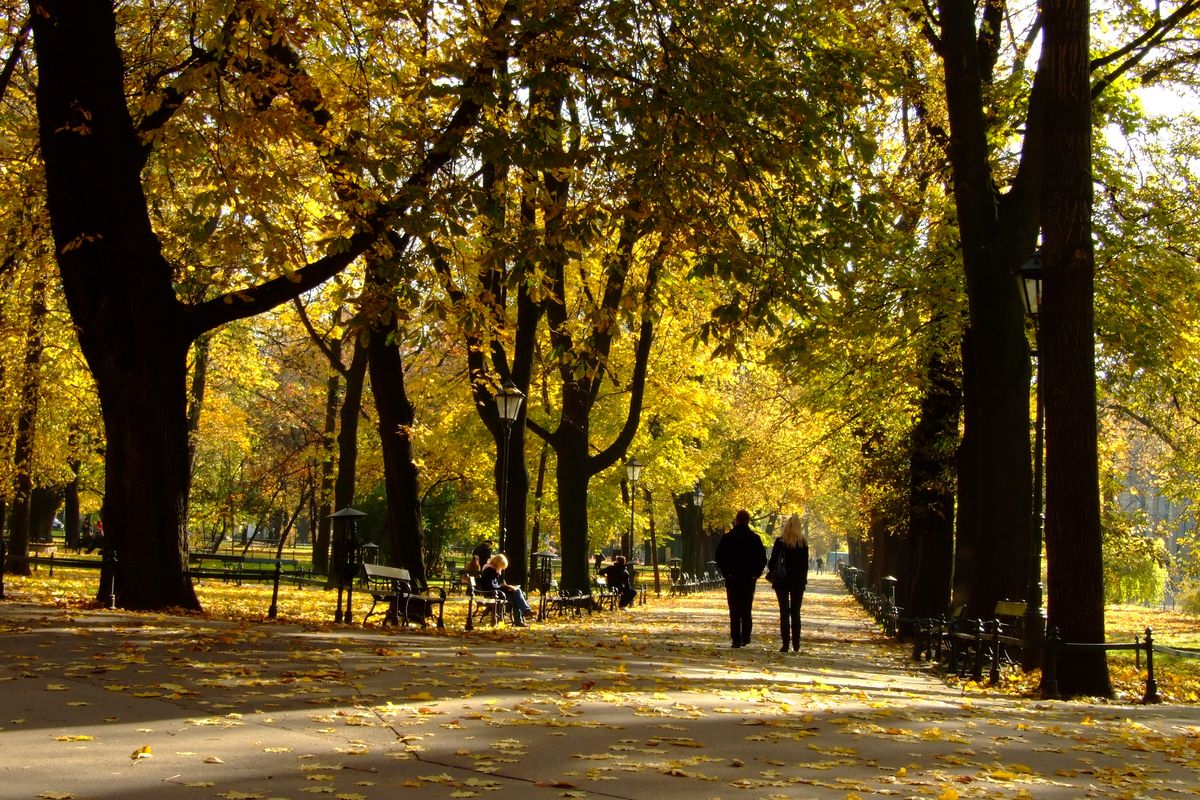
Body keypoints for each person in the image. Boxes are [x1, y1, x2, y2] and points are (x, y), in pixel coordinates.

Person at [714, 509, 767, 648]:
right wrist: (756, 574)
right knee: (746, 607)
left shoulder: (727, 537)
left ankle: (736, 638)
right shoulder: (754, 538)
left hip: (732, 578)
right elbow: (762, 559)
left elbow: (719, 557)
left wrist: (726, 573)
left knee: (734, 608)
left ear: (736, 520)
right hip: (749, 578)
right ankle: (746, 636)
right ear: (748, 521)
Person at [768, 513, 810, 652]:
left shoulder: (780, 542)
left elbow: (772, 562)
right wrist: (803, 580)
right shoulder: (803, 544)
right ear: (799, 527)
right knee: (796, 613)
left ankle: (785, 643)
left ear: (786, 526)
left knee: (784, 612)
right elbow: (805, 566)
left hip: (781, 581)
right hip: (797, 582)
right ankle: (796, 644)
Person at [477, 554, 534, 626]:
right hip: (492, 594)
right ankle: (524, 614)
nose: (502, 569)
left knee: (519, 593)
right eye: (501, 567)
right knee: (517, 592)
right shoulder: (489, 571)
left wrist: (505, 586)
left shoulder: (491, 570)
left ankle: (522, 616)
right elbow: (491, 586)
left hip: (495, 593)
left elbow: (493, 585)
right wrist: (504, 587)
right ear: (498, 564)